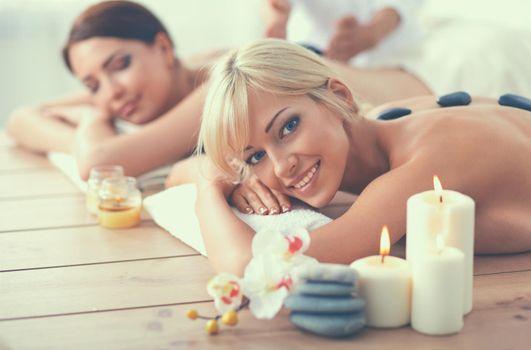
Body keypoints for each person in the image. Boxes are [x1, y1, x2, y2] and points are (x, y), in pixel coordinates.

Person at [169, 39, 531, 275]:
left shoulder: (424, 162)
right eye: (255, 157)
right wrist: (227, 177)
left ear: (339, 97)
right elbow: (177, 173)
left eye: (288, 127)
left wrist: (207, 193)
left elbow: (255, 267)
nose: (281, 166)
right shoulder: (384, 122)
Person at [6, 0, 216, 180]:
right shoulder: (127, 90)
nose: (111, 93)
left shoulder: (220, 89)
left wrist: (92, 122)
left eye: (120, 65)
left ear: (164, 48)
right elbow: (20, 119)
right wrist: (84, 142)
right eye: (92, 86)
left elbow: (98, 166)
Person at [262, 0, 423, 67]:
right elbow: (277, 6)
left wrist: (376, 29)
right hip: (321, 55)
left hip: (397, 53)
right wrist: (277, 16)